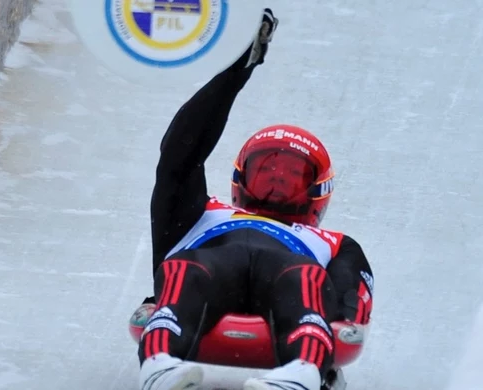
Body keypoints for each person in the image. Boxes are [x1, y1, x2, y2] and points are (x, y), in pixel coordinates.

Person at [135, 8, 374, 390]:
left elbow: (352, 296)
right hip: (210, 271)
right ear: (241, 178)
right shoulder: (201, 213)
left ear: (316, 191)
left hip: (289, 277)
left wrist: (345, 322)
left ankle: (299, 375)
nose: (277, 184)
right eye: (266, 172)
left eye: (292, 177)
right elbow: (179, 153)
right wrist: (237, 68)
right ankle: (160, 368)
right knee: (184, 268)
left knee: (306, 276)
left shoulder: (334, 245)